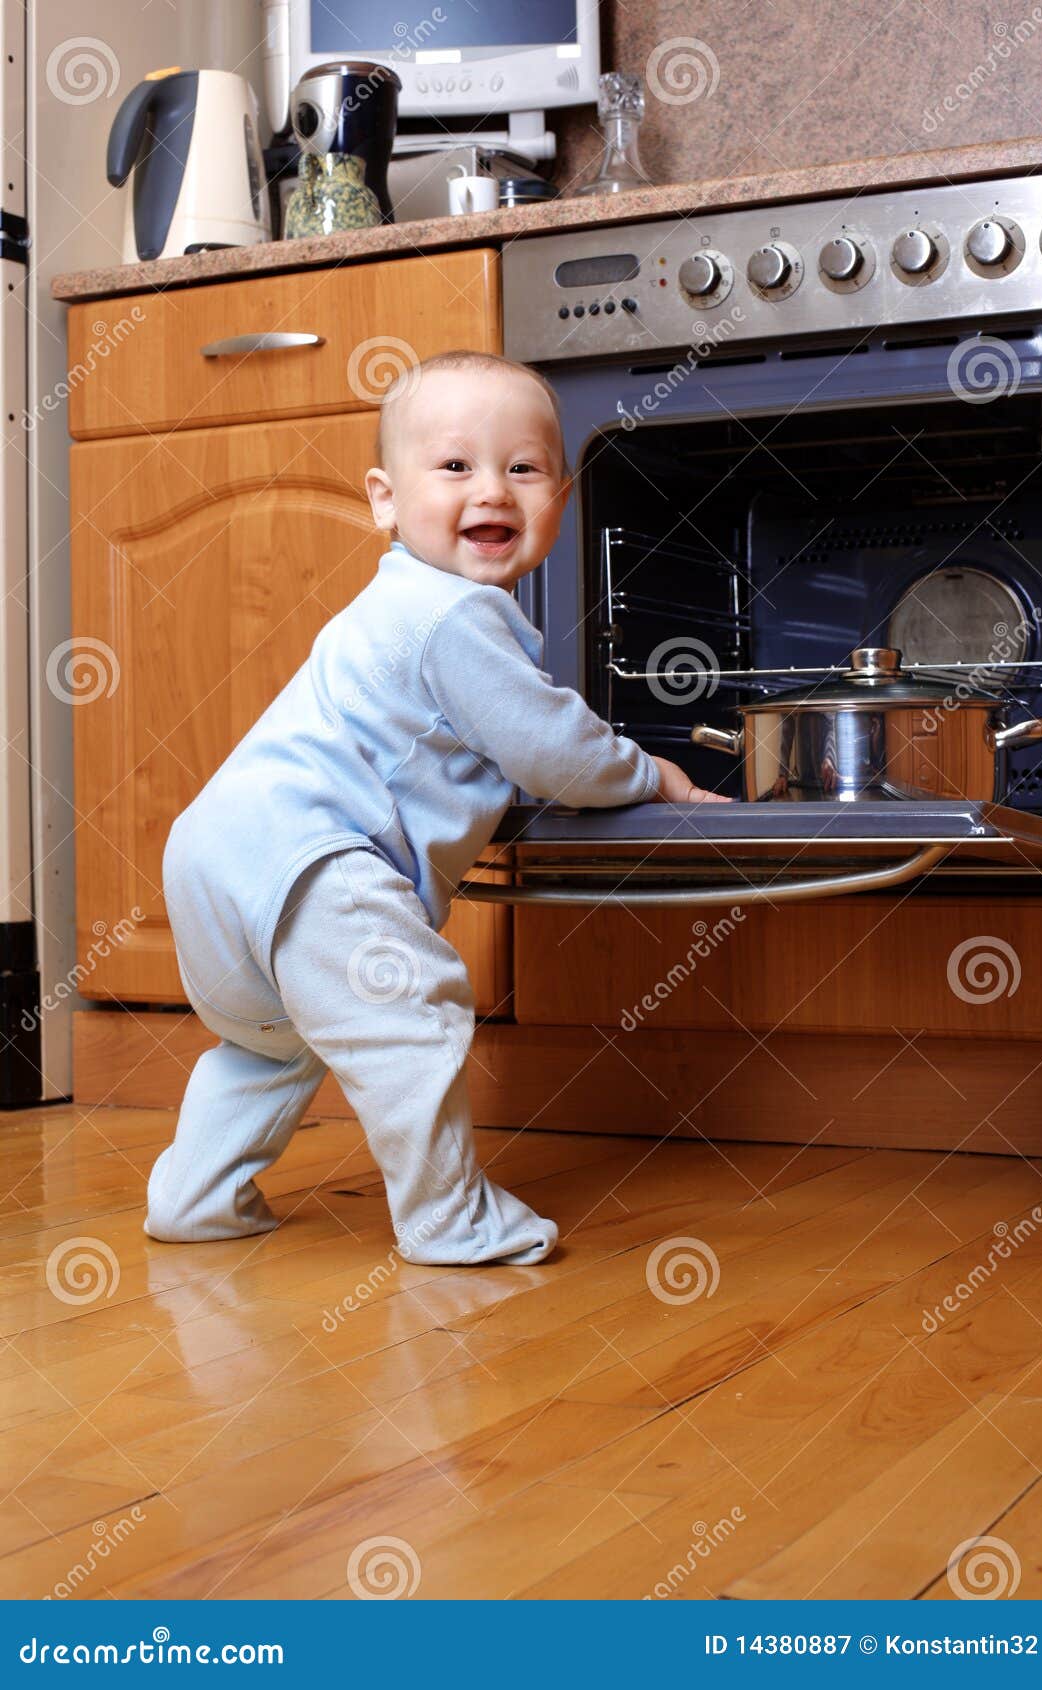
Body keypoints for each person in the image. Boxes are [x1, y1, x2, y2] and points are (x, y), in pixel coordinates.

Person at [145, 349, 727, 1267]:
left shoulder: (396, 605)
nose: (490, 490)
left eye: (522, 468)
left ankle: (196, 1195)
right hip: (312, 858)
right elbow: (549, 748)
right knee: (410, 1017)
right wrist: (648, 774)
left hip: (215, 862)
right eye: (454, 466)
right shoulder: (455, 617)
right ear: (384, 499)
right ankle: (446, 1218)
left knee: (272, 1048)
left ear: (559, 502)